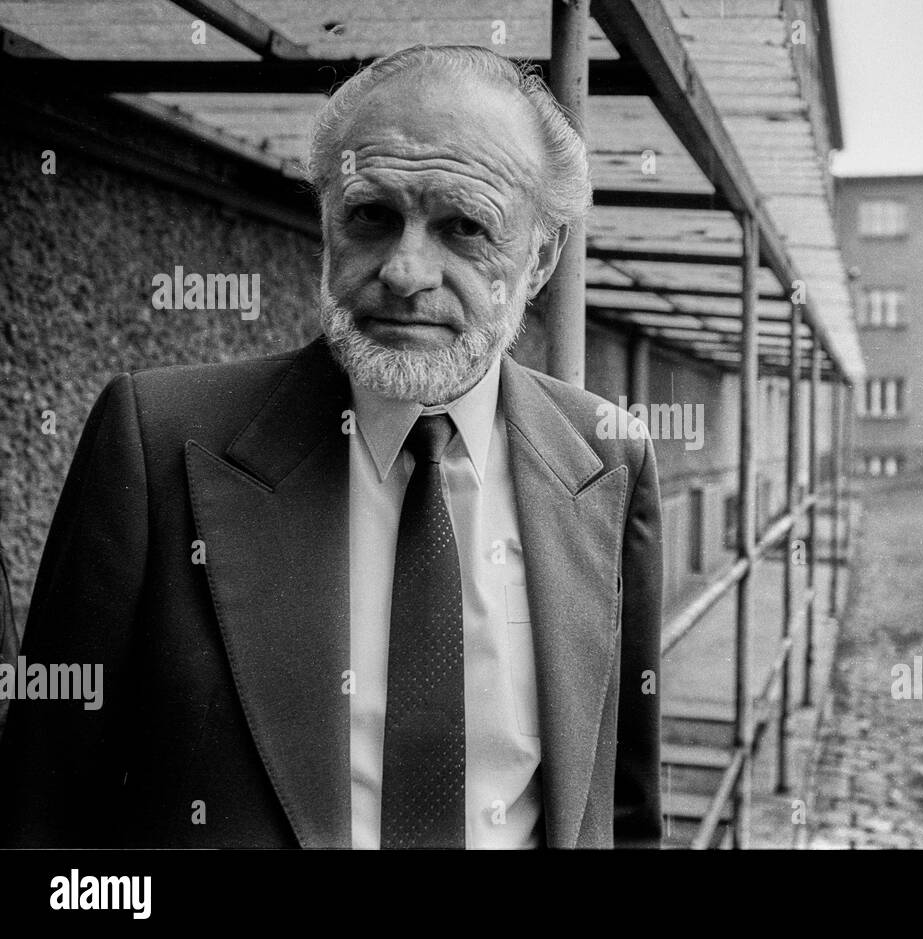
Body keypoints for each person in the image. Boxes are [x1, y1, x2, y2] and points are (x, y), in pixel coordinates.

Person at [0, 44, 663, 849]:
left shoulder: (607, 459)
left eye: (464, 226)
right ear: (326, 220)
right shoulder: (157, 441)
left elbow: (624, 811)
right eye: (372, 215)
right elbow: (42, 815)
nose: (407, 270)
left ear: (542, 257)